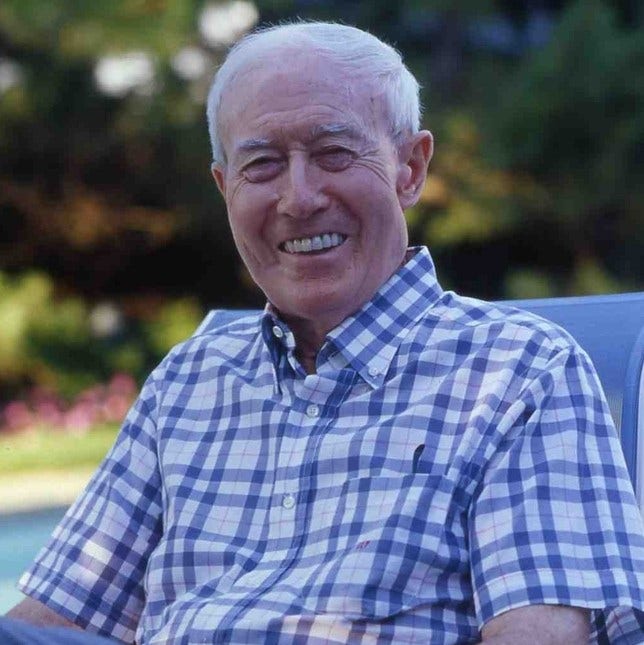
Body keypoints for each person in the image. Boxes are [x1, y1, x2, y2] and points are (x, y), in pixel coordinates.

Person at [3, 20, 644, 645]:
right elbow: (51, 624)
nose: (300, 197)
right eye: (262, 165)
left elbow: (539, 635)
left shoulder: (520, 372)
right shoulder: (187, 381)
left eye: (335, 153)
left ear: (411, 168)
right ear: (225, 189)